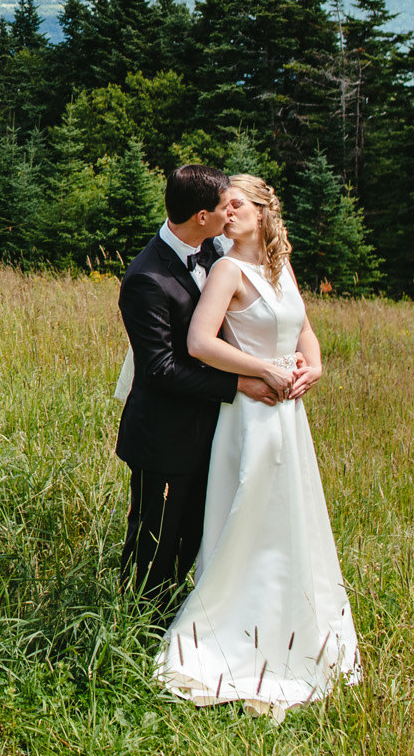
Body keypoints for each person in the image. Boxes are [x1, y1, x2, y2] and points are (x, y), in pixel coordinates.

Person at [155, 172, 360, 716]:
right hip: (251, 412)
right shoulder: (227, 269)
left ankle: (293, 626)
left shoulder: (278, 265)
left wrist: (313, 364)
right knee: (249, 517)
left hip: (290, 415)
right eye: (222, 206)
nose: (226, 213)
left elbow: (303, 327)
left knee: (289, 519)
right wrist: (263, 370)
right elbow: (200, 343)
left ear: (265, 210)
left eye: (236, 204)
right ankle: (231, 635)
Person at [114, 163, 282, 598]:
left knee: (193, 536)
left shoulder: (212, 249)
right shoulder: (145, 279)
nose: (230, 214)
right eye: (223, 208)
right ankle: (135, 625)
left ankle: (174, 618)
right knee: (153, 544)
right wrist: (239, 385)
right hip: (164, 435)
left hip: (213, 429)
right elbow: (159, 369)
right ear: (201, 217)